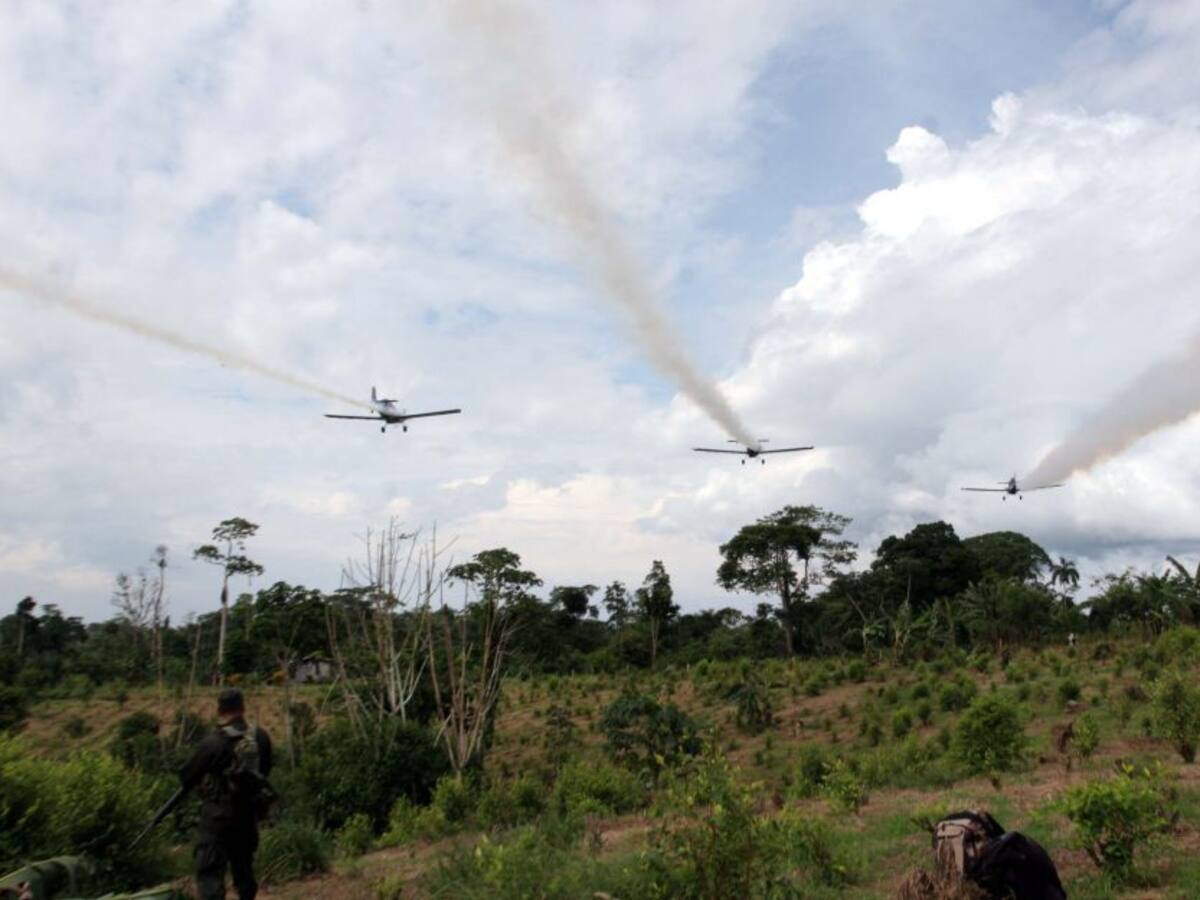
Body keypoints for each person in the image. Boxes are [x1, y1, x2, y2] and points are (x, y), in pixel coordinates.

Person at [179, 688, 273, 900]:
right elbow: (264, 772)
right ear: (243, 708)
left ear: (220, 710)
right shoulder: (260, 737)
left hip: (216, 818)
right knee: (244, 871)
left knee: (210, 875)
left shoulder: (213, 742)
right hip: (247, 815)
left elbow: (186, 775)